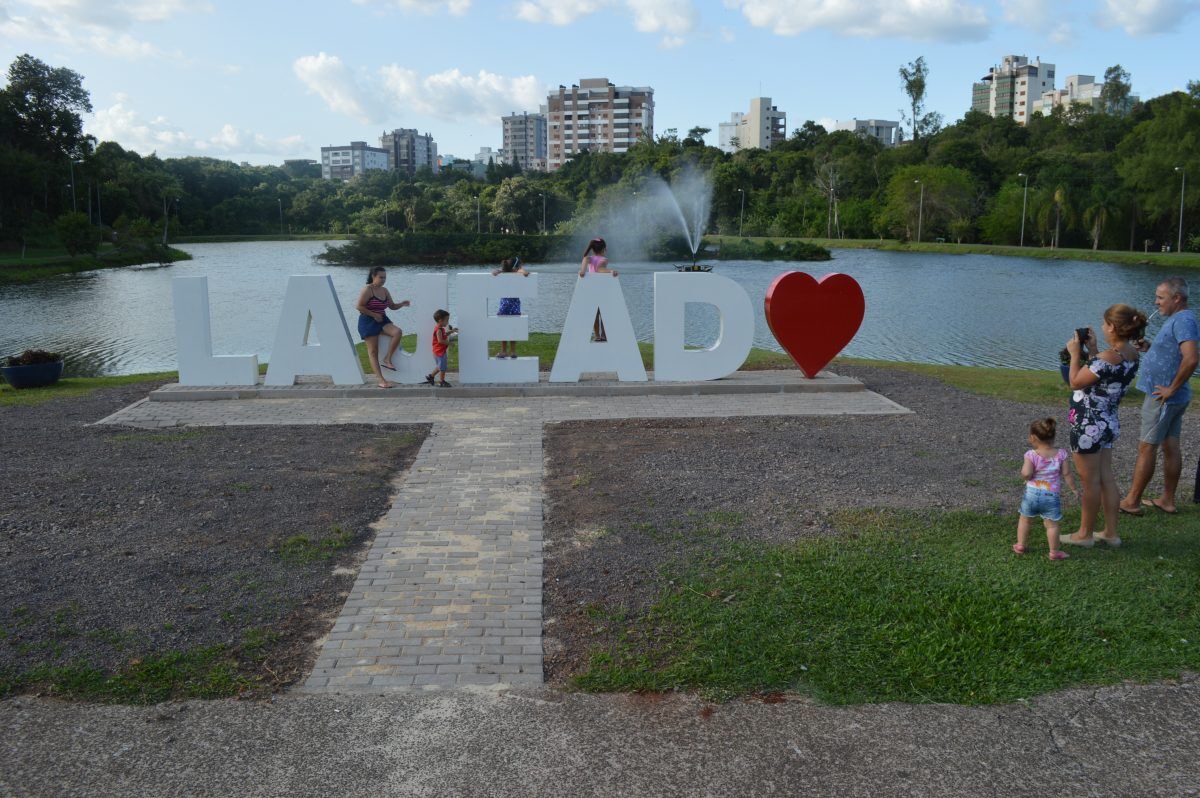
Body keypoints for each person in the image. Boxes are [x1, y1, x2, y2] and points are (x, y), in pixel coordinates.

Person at [1063, 304, 1147, 548]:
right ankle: (1111, 533)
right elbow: (1103, 378)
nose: (1101, 326)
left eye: (1104, 323)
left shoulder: (1106, 358)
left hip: (1088, 425)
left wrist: (1075, 353)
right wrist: (1094, 350)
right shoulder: (1131, 354)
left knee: (1090, 482)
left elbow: (1076, 382)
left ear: (1113, 327)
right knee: (1106, 478)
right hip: (1107, 422)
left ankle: (1084, 535)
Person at [1120, 276, 1199, 515]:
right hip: (1172, 397)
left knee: (1147, 447)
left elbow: (1192, 358)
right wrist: (1151, 347)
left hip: (1163, 397)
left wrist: (1171, 388)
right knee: (1170, 445)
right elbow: (1175, 353)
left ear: (1177, 298)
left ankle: (1131, 501)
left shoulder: (1183, 320)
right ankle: (1167, 499)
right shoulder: (1180, 319)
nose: (1156, 302)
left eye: (1160, 297)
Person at [1014, 418, 1078, 560]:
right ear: (1053, 436)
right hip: (1050, 496)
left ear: (1033, 437)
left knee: (1025, 520)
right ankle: (1054, 552)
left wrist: (1026, 476)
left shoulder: (1031, 455)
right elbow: (1067, 474)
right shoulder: (1061, 454)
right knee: (1052, 525)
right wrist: (1074, 489)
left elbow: (1026, 473)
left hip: (1031, 495)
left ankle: (1020, 545)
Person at [356, 266, 410, 389]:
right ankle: (381, 380)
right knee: (373, 352)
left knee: (397, 332)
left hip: (382, 320)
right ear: (373, 276)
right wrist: (374, 314)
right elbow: (359, 306)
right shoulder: (367, 290)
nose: (383, 280)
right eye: (381, 277)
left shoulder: (384, 290)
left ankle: (387, 359)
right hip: (368, 321)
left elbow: (391, 306)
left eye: (385, 277)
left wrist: (401, 304)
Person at [579, 238, 618, 342]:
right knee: (603, 313)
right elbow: (600, 270)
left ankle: (597, 335)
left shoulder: (589, 259)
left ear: (592, 249)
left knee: (595, 314)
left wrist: (582, 271)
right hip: (602, 289)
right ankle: (604, 335)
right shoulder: (604, 260)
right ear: (604, 249)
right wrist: (611, 271)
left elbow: (586, 260)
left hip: (591, 289)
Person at [491, 256, 531, 359]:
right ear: (516, 267)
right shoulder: (517, 273)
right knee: (513, 329)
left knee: (504, 329)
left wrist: (498, 271)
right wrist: (522, 271)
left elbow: (494, 272)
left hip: (504, 305)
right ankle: (512, 351)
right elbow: (523, 272)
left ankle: (504, 351)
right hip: (514, 306)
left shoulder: (503, 273)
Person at [423, 309, 456, 388]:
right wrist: (450, 343)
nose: (447, 322)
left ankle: (430, 377)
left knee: (440, 366)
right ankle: (442, 381)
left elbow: (444, 334)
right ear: (440, 320)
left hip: (438, 351)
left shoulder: (441, 329)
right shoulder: (439, 330)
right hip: (439, 352)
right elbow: (440, 340)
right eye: (446, 320)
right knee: (443, 367)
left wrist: (451, 331)